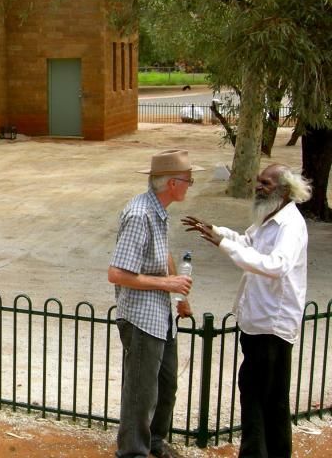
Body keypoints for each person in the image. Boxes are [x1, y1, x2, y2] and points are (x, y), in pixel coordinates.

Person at [182, 164, 311, 458]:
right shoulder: (270, 217)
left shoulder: (290, 225)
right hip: (257, 324)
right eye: (258, 181)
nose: (258, 186)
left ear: (283, 190)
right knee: (267, 397)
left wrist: (226, 244)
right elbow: (248, 242)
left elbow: (276, 266)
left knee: (259, 397)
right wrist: (217, 233)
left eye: (265, 183)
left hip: (272, 326)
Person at [108, 149, 202, 458]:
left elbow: (163, 255)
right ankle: (132, 451)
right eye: (189, 179)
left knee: (165, 385)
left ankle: (156, 442)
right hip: (140, 317)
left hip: (161, 314)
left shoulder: (159, 210)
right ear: (173, 183)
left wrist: (181, 297)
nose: (191, 184)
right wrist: (169, 284)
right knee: (141, 392)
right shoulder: (139, 214)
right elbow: (117, 273)